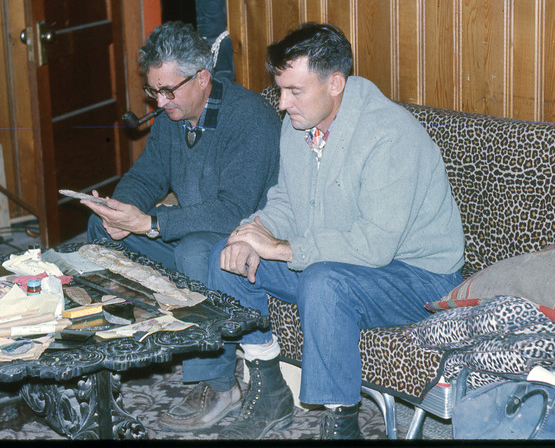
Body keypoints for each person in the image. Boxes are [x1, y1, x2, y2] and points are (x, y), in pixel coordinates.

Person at [193, 22, 465, 440]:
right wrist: (255, 230)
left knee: (324, 282)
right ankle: (268, 391)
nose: (282, 104)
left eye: (294, 91)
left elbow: (373, 246)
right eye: (280, 89)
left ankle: (341, 424)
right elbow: (287, 197)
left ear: (335, 82)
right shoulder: (300, 123)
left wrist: (280, 249)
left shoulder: (389, 136)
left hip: (419, 279)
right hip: (339, 261)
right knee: (224, 256)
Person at [83, 21, 281, 431]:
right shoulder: (173, 116)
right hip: (191, 233)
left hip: (243, 242)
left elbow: (233, 210)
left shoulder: (249, 118)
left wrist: (153, 222)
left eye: (168, 90)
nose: (159, 100)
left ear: (203, 79)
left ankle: (219, 383)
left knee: (193, 250)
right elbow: (146, 176)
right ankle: (138, 339)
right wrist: (120, 211)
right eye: (153, 90)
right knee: (99, 229)